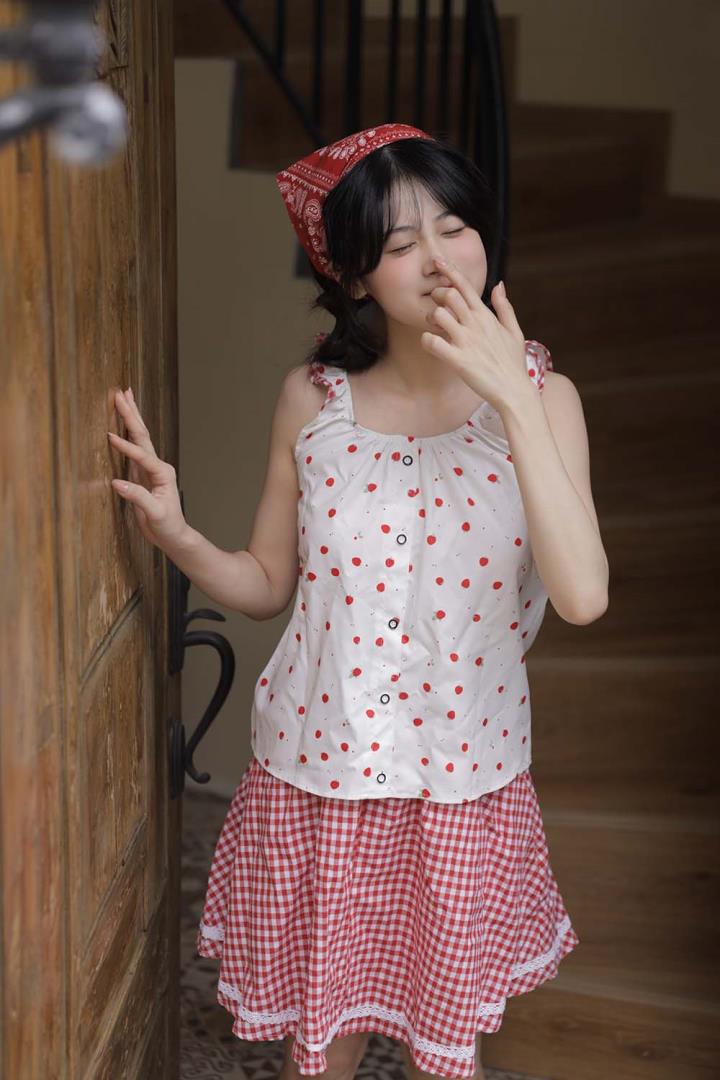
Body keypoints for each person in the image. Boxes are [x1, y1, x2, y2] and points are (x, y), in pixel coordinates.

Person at [108, 123, 609, 1080]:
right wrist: (177, 534)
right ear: (354, 277)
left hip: (460, 786)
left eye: (455, 227)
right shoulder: (314, 402)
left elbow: (583, 596)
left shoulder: (548, 403)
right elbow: (266, 586)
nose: (440, 260)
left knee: (441, 1054)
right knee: (323, 1050)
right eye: (402, 243)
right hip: (320, 777)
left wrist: (512, 397)